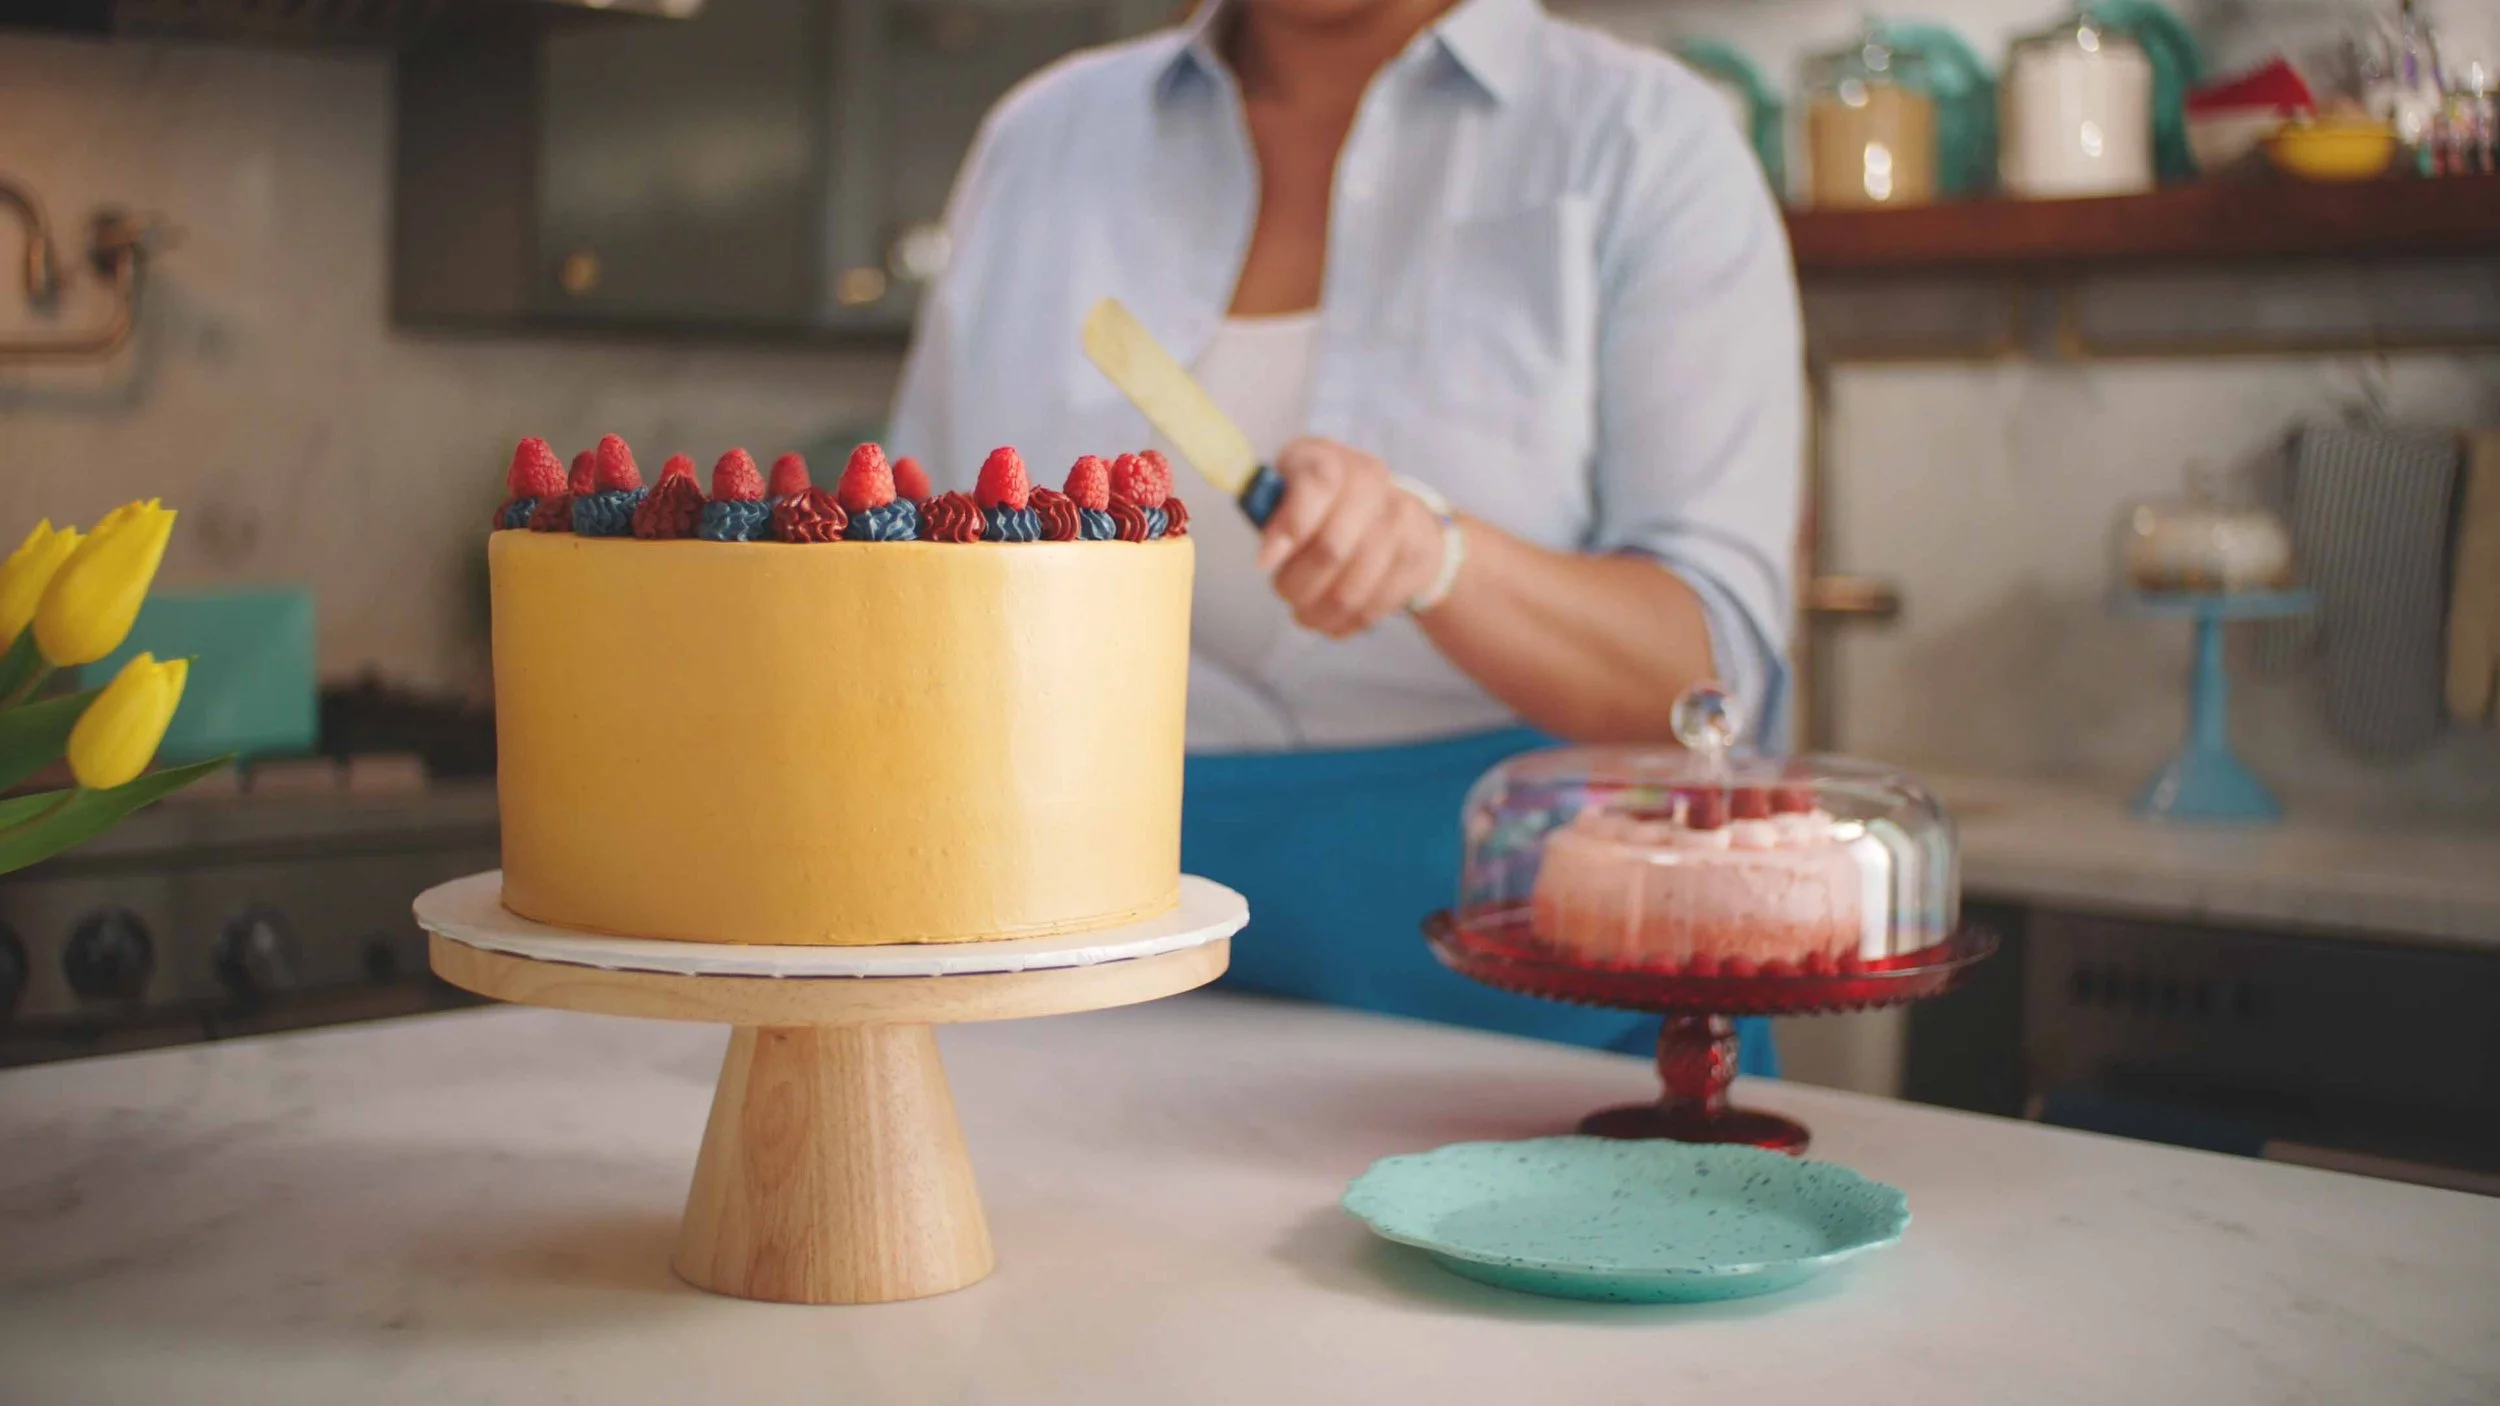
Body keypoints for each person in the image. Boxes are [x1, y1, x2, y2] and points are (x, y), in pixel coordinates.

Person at [890, 0, 1799, 1068]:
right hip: (1080, 992)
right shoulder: (1039, 138)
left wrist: (1440, 556)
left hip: (1536, 1018)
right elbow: (918, 589)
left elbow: (1705, 680)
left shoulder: (1646, 136)